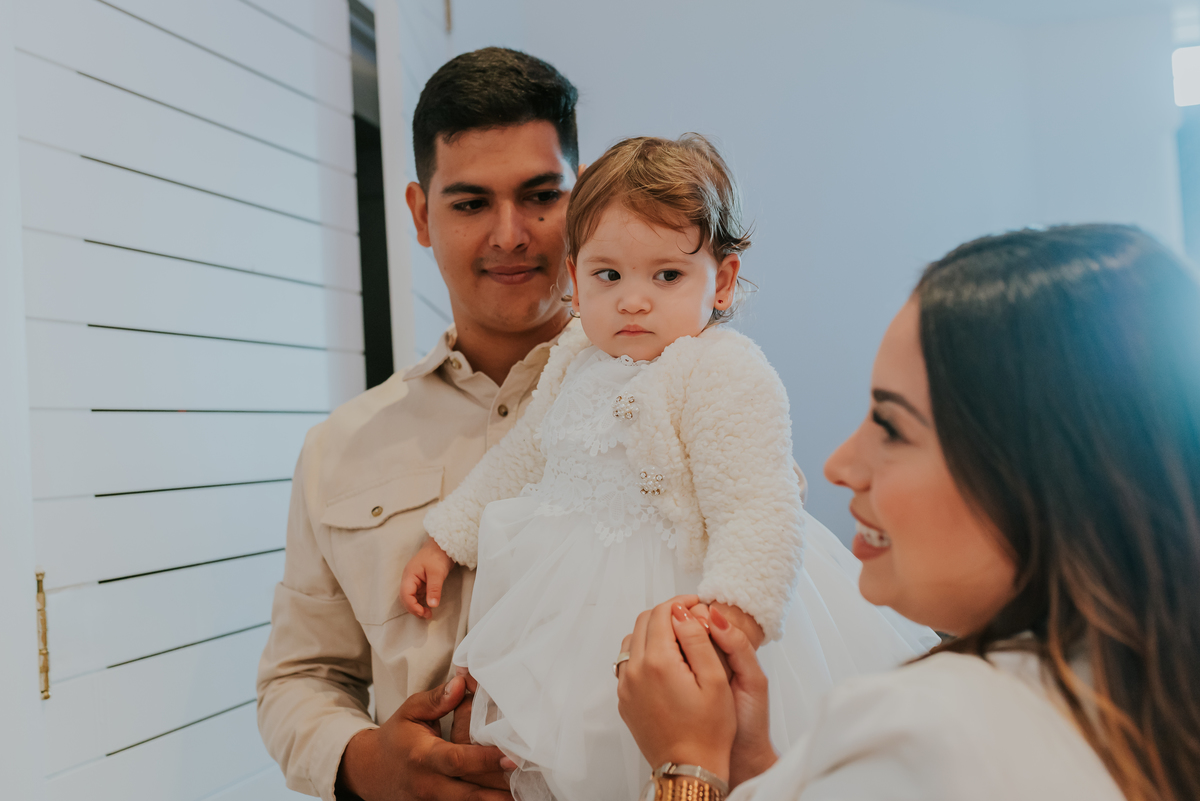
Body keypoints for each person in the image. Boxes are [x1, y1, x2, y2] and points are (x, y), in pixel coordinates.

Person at [400, 135, 938, 801]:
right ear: (573, 277)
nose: (633, 300)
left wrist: (731, 622)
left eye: (666, 276)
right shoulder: (573, 357)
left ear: (724, 281)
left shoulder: (721, 369)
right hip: (565, 612)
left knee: (675, 752)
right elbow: (520, 456)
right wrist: (446, 538)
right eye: (608, 275)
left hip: (682, 615)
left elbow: (759, 509)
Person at [616, 224, 1200, 801]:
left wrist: (687, 768)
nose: (839, 465)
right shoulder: (1140, 702)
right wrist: (753, 768)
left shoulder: (932, 732)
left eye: (892, 427)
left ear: (1039, 478)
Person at [256, 47, 586, 801]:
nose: (510, 234)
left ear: (584, 199)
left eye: (540, 195)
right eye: (470, 203)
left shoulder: (673, 391)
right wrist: (369, 762)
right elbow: (299, 677)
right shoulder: (339, 448)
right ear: (419, 213)